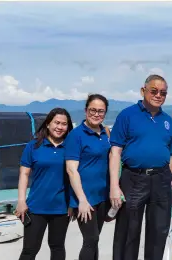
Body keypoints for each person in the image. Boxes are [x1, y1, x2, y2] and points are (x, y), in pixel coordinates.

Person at [109, 74, 172, 260]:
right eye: (154, 91)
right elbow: (115, 152)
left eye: (163, 92)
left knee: (159, 231)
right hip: (133, 178)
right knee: (128, 231)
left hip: (162, 179)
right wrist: (114, 186)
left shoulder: (168, 120)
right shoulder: (127, 115)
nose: (158, 95)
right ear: (143, 91)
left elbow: (170, 156)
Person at [15, 107, 74, 260]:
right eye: (56, 122)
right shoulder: (33, 146)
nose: (60, 127)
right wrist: (21, 201)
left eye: (64, 124)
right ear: (48, 123)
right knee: (29, 249)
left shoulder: (72, 147)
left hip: (61, 208)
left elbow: (77, 176)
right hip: (35, 207)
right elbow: (24, 174)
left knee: (57, 247)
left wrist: (73, 203)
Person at [64, 94, 111, 260]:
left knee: (95, 240)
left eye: (101, 111)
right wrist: (81, 200)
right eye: (93, 110)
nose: (96, 114)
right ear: (85, 111)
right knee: (90, 239)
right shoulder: (76, 135)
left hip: (103, 196)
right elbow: (71, 170)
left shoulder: (105, 133)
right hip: (84, 198)